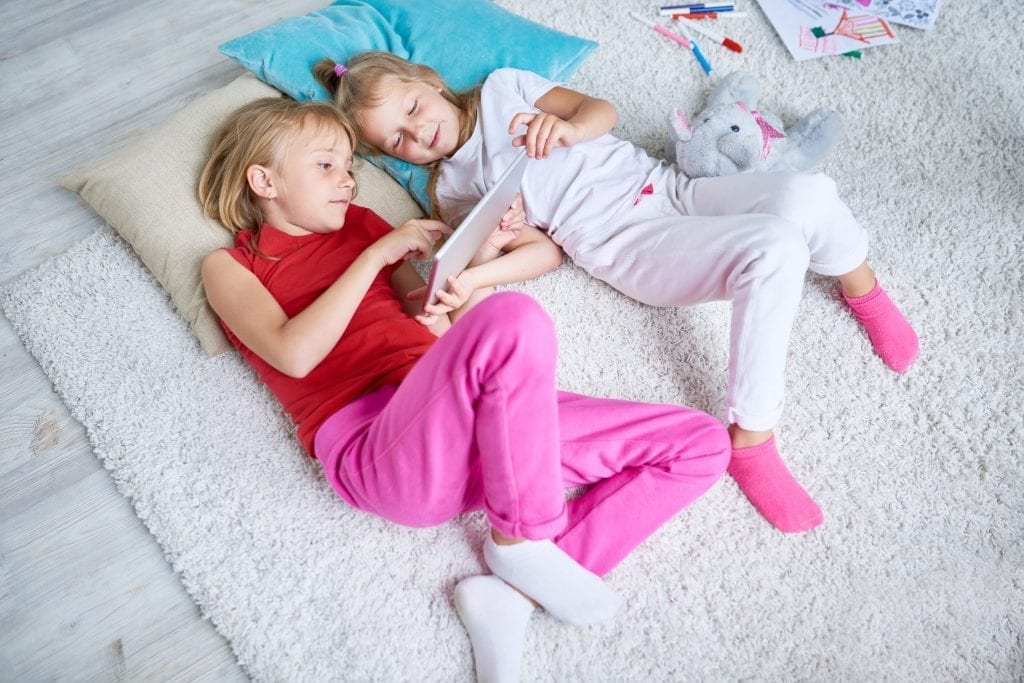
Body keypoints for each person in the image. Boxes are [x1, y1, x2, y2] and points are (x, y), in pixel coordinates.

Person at [197, 96, 731, 683]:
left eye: (350, 166)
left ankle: (509, 598)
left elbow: (434, 316)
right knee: (515, 320)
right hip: (380, 449)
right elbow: (294, 354)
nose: (348, 182)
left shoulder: (363, 224)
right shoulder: (229, 266)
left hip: (485, 433)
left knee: (702, 443)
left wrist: (481, 252)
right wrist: (375, 254)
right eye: (327, 165)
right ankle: (519, 539)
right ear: (264, 180)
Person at [315, 52, 920, 535]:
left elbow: (601, 110)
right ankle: (751, 437)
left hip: (668, 188)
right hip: (626, 245)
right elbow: (545, 252)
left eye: (414, 108)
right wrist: (485, 262)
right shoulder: (452, 188)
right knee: (776, 246)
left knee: (806, 195)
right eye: (399, 141)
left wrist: (568, 127)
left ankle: (861, 290)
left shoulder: (505, 87)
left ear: (432, 84)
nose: (419, 132)